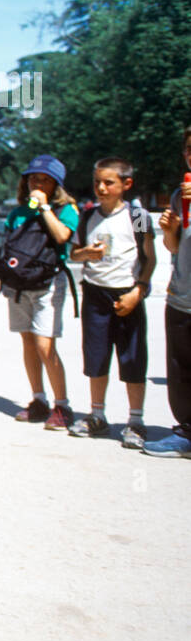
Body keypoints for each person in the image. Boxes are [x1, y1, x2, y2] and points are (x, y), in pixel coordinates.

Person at [69, 156, 154, 445]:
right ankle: (97, 415)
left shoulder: (138, 216)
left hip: (127, 292)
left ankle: (136, 420)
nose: (101, 188)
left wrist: (138, 290)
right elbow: (74, 254)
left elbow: (150, 258)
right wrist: (85, 255)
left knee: (132, 357)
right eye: (97, 183)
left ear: (126, 184)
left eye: (109, 182)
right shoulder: (87, 215)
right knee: (96, 356)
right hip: (95, 294)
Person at [3, 155, 80, 429]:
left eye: (45, 179)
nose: (38, 183)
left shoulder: (67, 209)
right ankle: (38, 399)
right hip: (19, 285)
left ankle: (62, 405)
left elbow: (62, 237)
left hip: (49, 283)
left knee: (45, 346)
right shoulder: (17, 213)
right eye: (34, 178)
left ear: (56, 184)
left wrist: (45, 207)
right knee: (28, 343)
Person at [147, 126, 191, 457]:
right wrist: (170, 230)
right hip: (181, 296)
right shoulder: (179, 195)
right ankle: (186, 433)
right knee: (180, 370)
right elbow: (174, 248)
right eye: (189, 148)